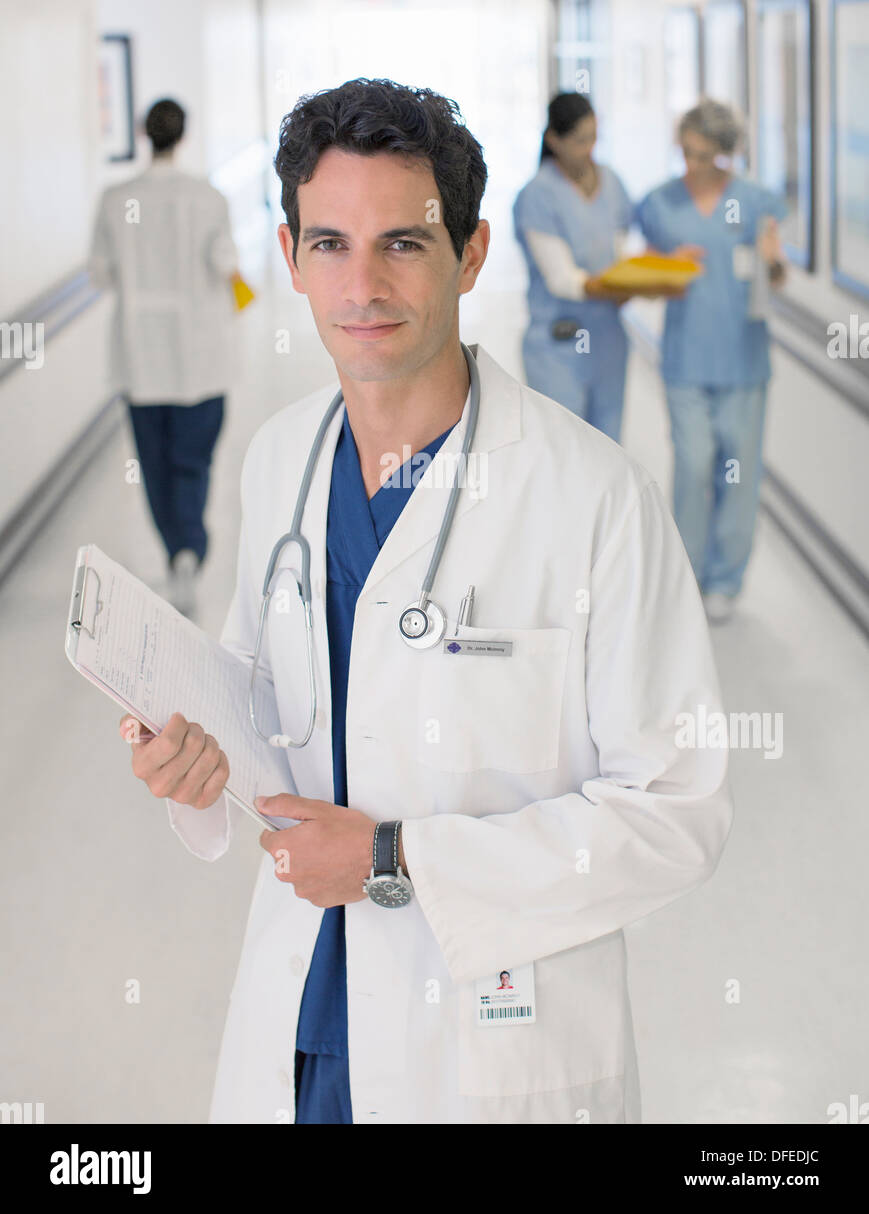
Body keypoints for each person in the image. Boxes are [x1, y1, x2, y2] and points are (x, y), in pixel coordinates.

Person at [119, 77, 732, 1125]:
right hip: (307, 1024)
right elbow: (253, 704)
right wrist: (192, 761)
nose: (361, 285)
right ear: (288, 256)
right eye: (328, 244)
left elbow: (676, 813)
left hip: (490, 1047)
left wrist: (394, 859)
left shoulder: (593, 497)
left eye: (401, 243)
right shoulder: (278, 461)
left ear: (471, 251)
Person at [636, 98, 788, 624]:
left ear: (726, 153)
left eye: (705, 155)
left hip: (743, 361)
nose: (692, 165)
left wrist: (774, 262)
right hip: (685, 358)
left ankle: (725, 579)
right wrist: (664, 267)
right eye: (686, 152)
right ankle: (688, 571)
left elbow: (778, 278)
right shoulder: (659, 203)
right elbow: (647, 279)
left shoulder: (754, 202)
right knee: (694, 462)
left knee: (738, 472)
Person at [89, 98, 238, 618]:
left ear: (142, 132)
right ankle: (189, 552)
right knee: (192, 463)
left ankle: (177, 548)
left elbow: (101, 274)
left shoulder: (114, 199)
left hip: (140, 358)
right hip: (200, 360)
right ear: (185, 133)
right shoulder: (208, 198)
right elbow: (226, 265)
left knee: (154, 465)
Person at [513, 92, 635, 442]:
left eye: (594, 137)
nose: (589, 148)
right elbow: (562, 279)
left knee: (609, 452)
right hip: (558, 344)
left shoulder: (611, 181)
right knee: (565, 451)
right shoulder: (538, 194)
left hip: (609, 340)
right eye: (580, 140)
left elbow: (622, 246)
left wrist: (637, 280)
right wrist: (618, 288)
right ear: (554, 140)